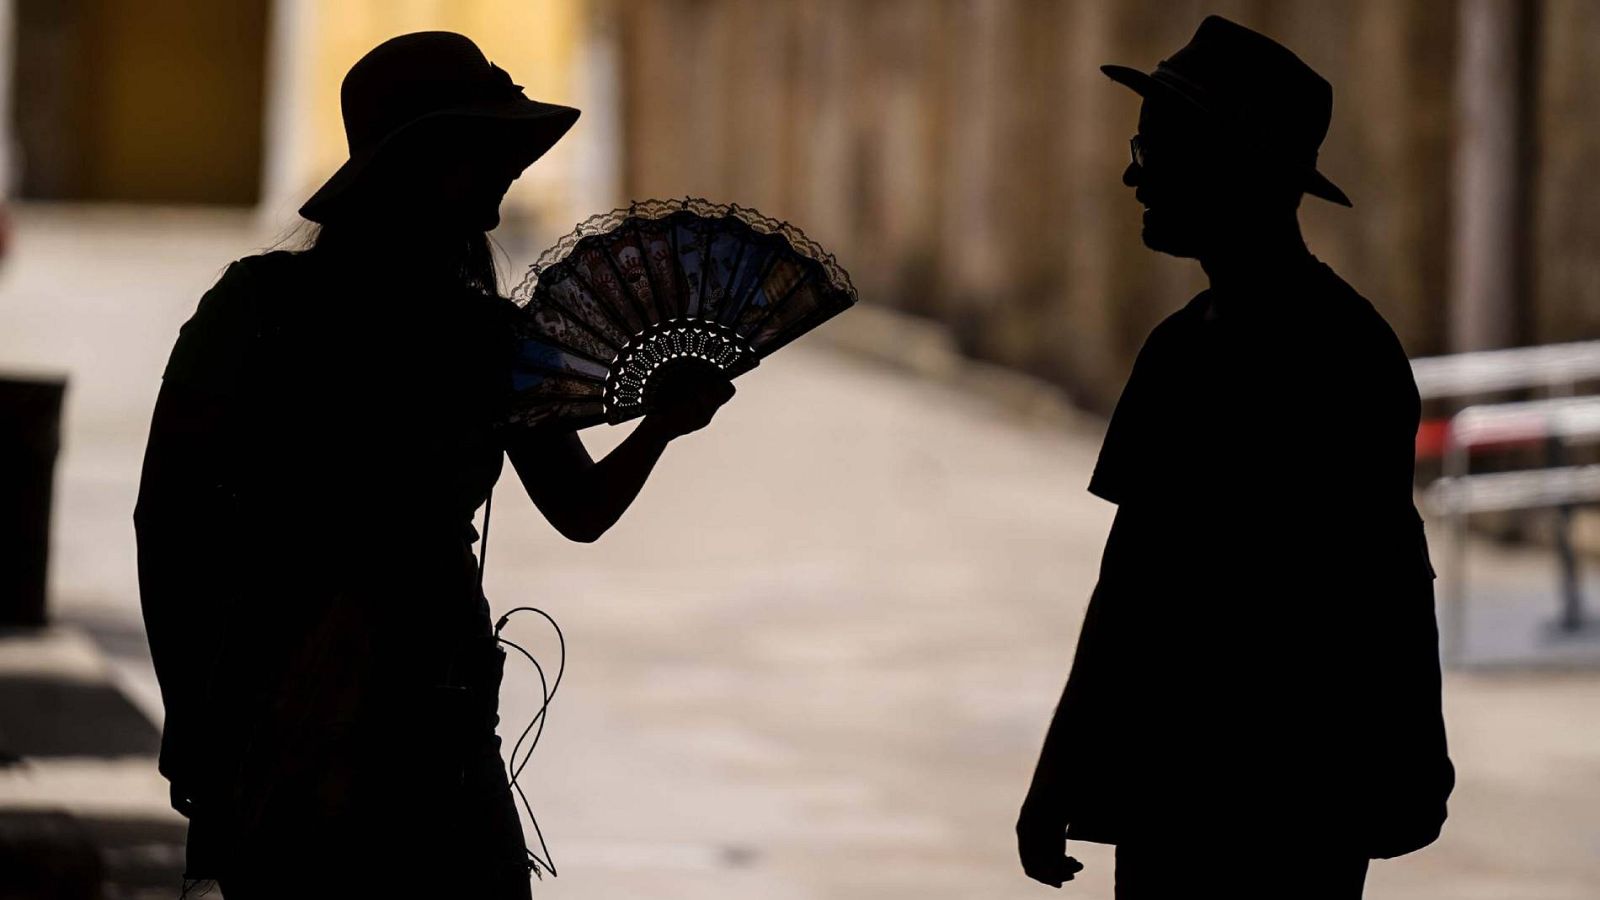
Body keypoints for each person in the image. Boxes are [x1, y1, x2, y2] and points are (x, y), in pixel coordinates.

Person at [133, 32, 734, 899]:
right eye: (486, 153)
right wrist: (195, 721)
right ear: (426, 164)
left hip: (396, 706)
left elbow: (166, 523)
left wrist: (664, 427)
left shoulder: (276, 310)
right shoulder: (431, 331)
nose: (508, 176)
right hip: (338, 706)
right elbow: (173, 524)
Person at [1015, 17, 1453, 899]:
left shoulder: (1338, 359)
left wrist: (1063, 771)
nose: (1134, 175)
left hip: (1286, 805)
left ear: (1232, 165)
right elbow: (1131, 584)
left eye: (1155, 150)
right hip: (1191, 796)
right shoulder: (1193, 349)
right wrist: (1058, 772)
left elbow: (1371, 591)